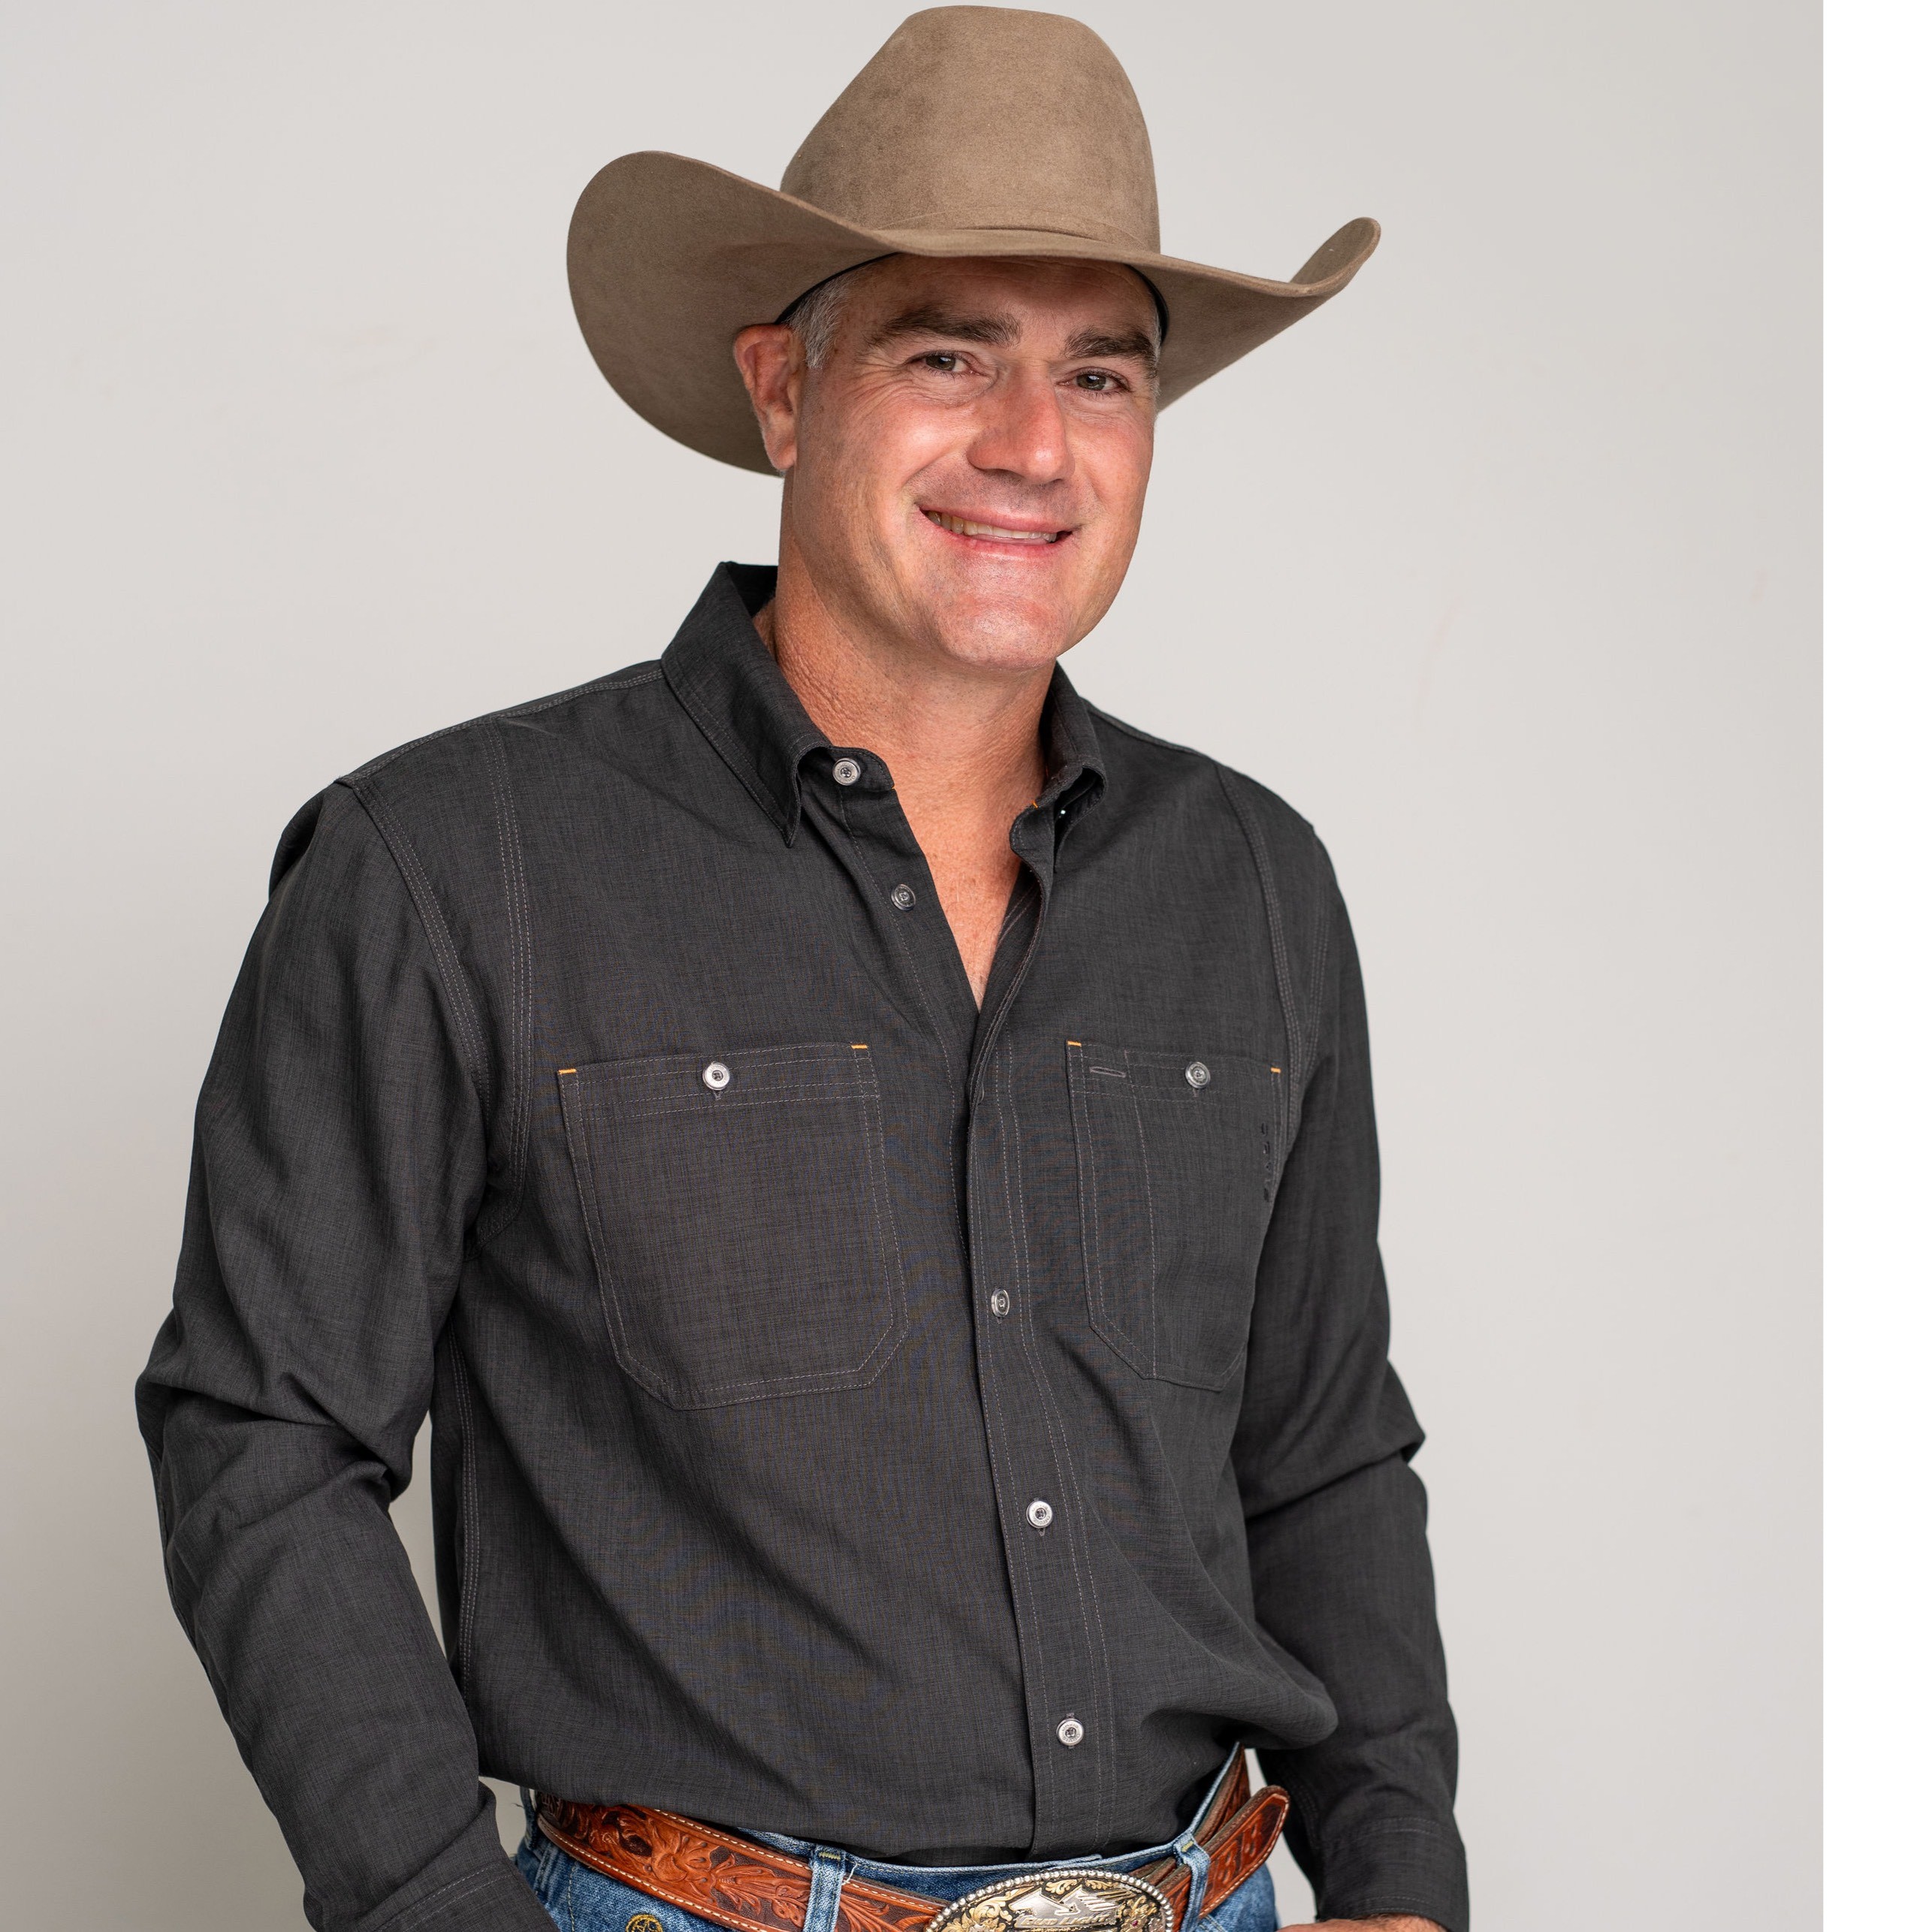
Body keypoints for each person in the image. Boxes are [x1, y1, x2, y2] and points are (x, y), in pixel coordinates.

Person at [137, 10, 1466, 1932]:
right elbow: (261, 1433)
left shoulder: (1251, 884)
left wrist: (1401, 1875)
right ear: (782, 389)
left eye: (1099, 373)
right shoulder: (449, 864)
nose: (1031, 444)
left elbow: (1320, 1440)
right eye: (948, 354)